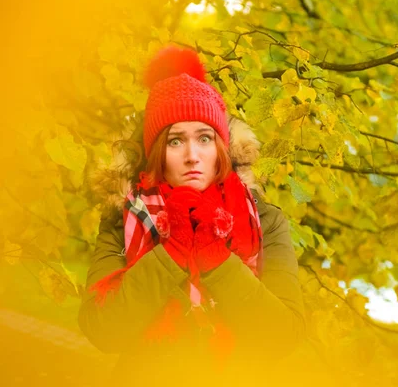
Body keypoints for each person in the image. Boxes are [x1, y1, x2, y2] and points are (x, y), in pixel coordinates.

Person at [78, 46, 305, 387]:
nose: (192, 156)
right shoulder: (123, 217)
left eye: (204, 138)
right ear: (157, 152)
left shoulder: (266, 220)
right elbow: (102, 329)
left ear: (221, 150)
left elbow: (283, 335)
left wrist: (216, 260)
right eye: (174, 142)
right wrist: (169, 253)